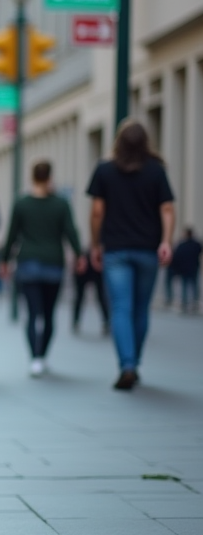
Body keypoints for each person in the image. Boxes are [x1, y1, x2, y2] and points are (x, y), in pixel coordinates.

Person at [86, 121, 176, 390]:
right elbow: (168, 209)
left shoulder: (104, 170)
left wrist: (95, 244)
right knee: (140, 308)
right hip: (148, 250)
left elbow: (97, 212)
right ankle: (134, 361)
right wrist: (166, 242)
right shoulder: (156, 171)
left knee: (121, 309)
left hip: (116, 250)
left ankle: (127, 364)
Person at [0, 161, 83, 377]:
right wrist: (79, 255)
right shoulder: (61, 204)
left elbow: (12, 234)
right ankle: (43, 355)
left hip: (28, 262)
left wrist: (5, 260)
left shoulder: (22, 203)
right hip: (54, 262)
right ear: (50, 177)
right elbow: (70, 232)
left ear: (32, 176)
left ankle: (34, 357)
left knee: (32, 313)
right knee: (48, 314)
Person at [72, 250, 110, 333]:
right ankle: (76, 321)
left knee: (100, 295)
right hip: (88, 260)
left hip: (91, 260)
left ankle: (107, 322)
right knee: (80, 295)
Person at [169, 228, 201, 312]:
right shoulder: (196, 244)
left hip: (184, 268)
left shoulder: (182, 245)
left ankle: (185, 302)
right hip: (193, 268)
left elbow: (177, 256)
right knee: (194, 285)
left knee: (185, 285)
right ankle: (195, 301)